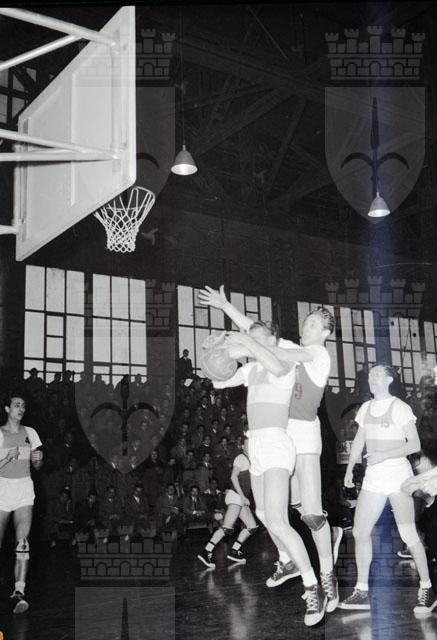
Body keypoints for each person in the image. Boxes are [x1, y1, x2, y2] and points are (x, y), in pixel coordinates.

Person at [198, 285, 340, 612]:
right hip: (279, 431)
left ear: (326, 333)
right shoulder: (283, 345)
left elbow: (272, 349)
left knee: (311, 513)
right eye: (306, 322)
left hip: (303, 433)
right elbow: (256, 332)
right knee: (268, 512)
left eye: (314, 324)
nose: (306, 327)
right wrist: (225, 308)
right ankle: (288, 559)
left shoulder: (317, 353)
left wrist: (242, 345)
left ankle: (327, 573)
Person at [339, 364, 437, 613]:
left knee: (407, 534)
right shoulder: (366, 407)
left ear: (389, 380)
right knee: (360, 532)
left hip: (397, 476)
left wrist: (384, 455)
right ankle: (362, 591)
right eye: (370, 375)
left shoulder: (400, 407)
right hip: (374, 477)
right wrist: (350, 468)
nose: (372, 378)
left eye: (377, 374)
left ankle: (427, 589)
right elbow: (359, 440)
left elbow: (413, 444)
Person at [0, 392, 43, 613]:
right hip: (2, 489)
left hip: (24, 488)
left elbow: (37, 466)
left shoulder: (31, 433)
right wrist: (6, 458)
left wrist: (38, 461)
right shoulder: (0, 433)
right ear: (7, 409)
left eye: (23, 406)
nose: (21, 409)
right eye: (17, 405)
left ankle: (19, 592)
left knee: (23, 542)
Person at [197, 441, 258, 568]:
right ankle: (206, 551)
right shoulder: (241, 458)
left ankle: (235, 551)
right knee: (227, 528)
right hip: (235, 496)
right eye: (247, 444)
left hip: (241, 498)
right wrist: (242, 497)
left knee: (252, 526)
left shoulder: (252, 461)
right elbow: (233, 477)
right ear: (243, 446)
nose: (250, 447)